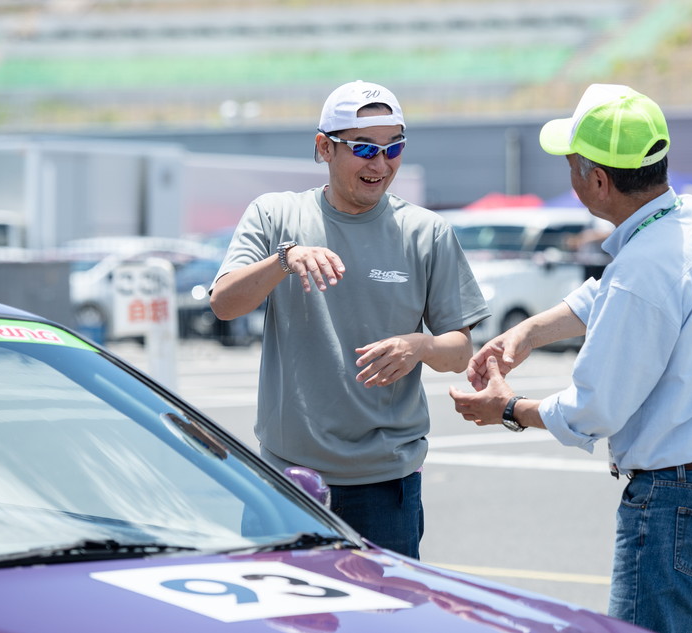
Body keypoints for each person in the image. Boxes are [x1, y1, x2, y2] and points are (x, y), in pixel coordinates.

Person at [449, 84, 692, 632]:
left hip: (681, 502)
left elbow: (594, 410)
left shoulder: (642, 269)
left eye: (573, 164)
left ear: (596, 180)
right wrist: (528, 332)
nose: (570, 176)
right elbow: (616, 294)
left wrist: (507, 408)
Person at [209, 80, 490, 559]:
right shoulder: (277, 215)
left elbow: (459, 351)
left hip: (385, 485)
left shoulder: (426, 232)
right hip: (287, 479)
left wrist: (419, 346)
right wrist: (284, 259)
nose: (380, 165)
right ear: (324, 148)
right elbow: (224, 304)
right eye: (364, 149)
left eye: (393, 148)